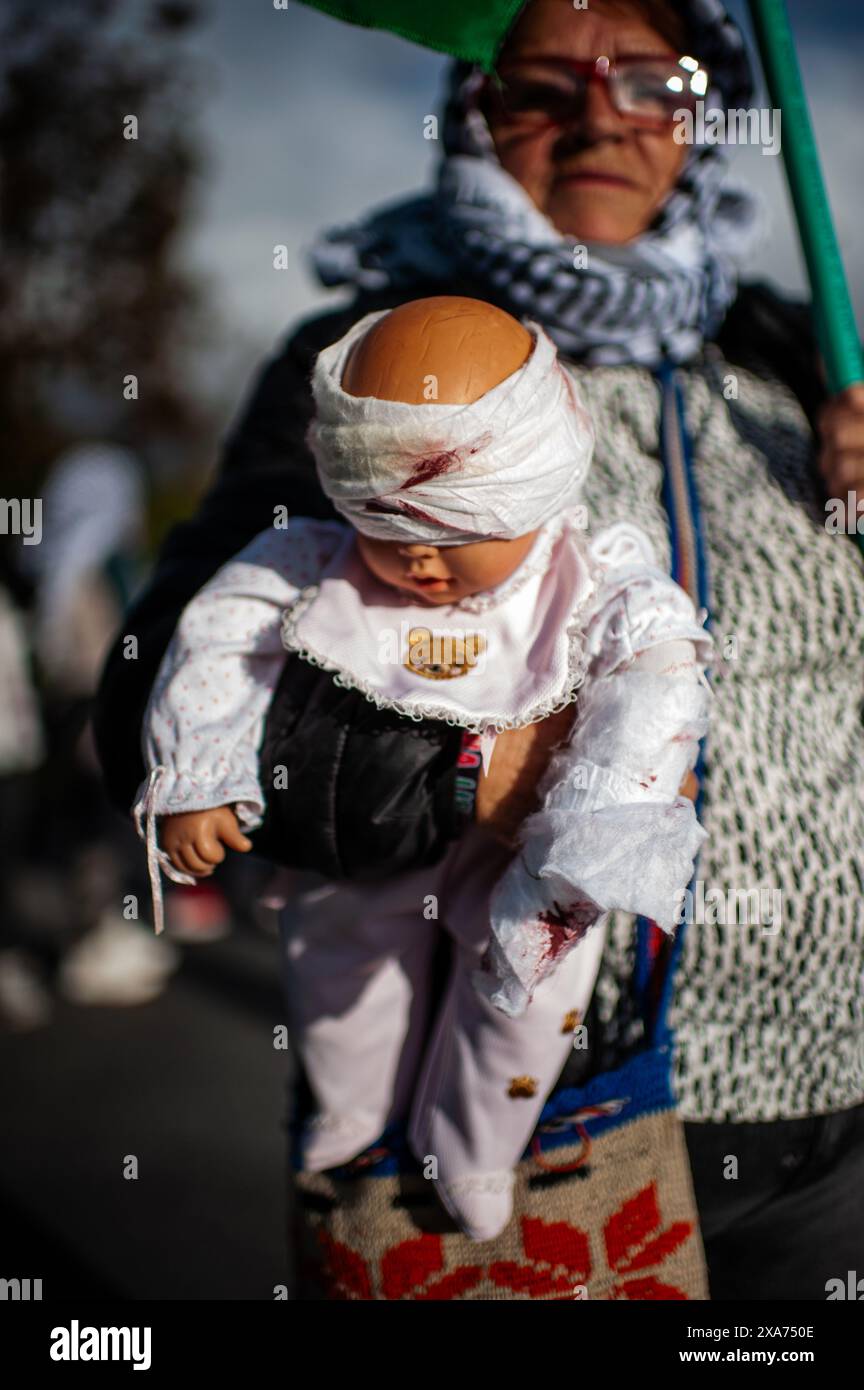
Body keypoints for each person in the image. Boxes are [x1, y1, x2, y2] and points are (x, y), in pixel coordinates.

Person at [94, 0, 864, 1299]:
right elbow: (157, 682)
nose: (601, 113)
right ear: (470, 114)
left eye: (652, 79)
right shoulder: (367, 375)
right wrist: (464, 775)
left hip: (840, 1101)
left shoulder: (804, 360)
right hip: (550, 1110)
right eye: (540, 84)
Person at [131, 295, 711, 1239]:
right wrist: (200, 771)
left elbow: (661, 662)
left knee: (531, 994)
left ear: (538, 490)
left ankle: (476, 1140)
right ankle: (353, 1106)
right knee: (336, 966)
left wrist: (608, 810)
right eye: (389, 535)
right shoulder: (315, 560)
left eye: (452, 535)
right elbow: (220, 632)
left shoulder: (589, 580)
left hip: (524, 859)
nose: (420, 565)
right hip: (368, 847)